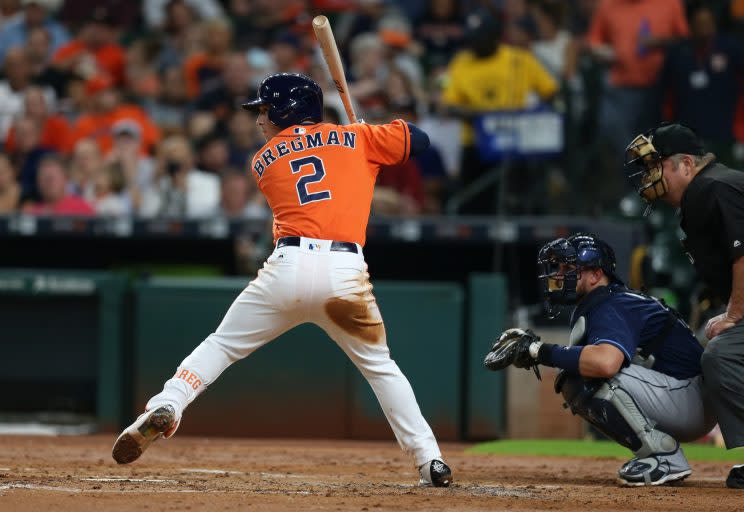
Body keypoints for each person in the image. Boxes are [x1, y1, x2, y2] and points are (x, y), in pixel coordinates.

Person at [111, 73, 453, 487]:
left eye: (264, 110)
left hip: (286, 267)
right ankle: (430, 460)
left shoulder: (264, 158)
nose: (259, 119)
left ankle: (166, 405)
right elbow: (421, 140)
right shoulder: (358, 138)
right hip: (345, 274)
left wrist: (357, 136)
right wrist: (367, 131)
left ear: (287, 112)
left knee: (221, 346)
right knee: (381, 368)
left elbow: (320, 158)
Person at [484, 233, 715, 486]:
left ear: (595, 275)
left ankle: (665, 458)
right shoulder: (607, 301)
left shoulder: (610, 303)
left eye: (570, 268)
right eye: (559, 267)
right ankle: (659, 453)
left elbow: (606, 362)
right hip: (685, 397)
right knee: (579, 368)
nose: (560, 275)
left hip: (691, 399)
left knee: (585, 374)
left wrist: (537, 351)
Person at [625, 122, 744, 489]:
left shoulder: (712, 187)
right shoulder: (707, 191)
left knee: (721, 356)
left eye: (656, 165)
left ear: (687, 165)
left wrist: (735, 313)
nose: (650, 176)